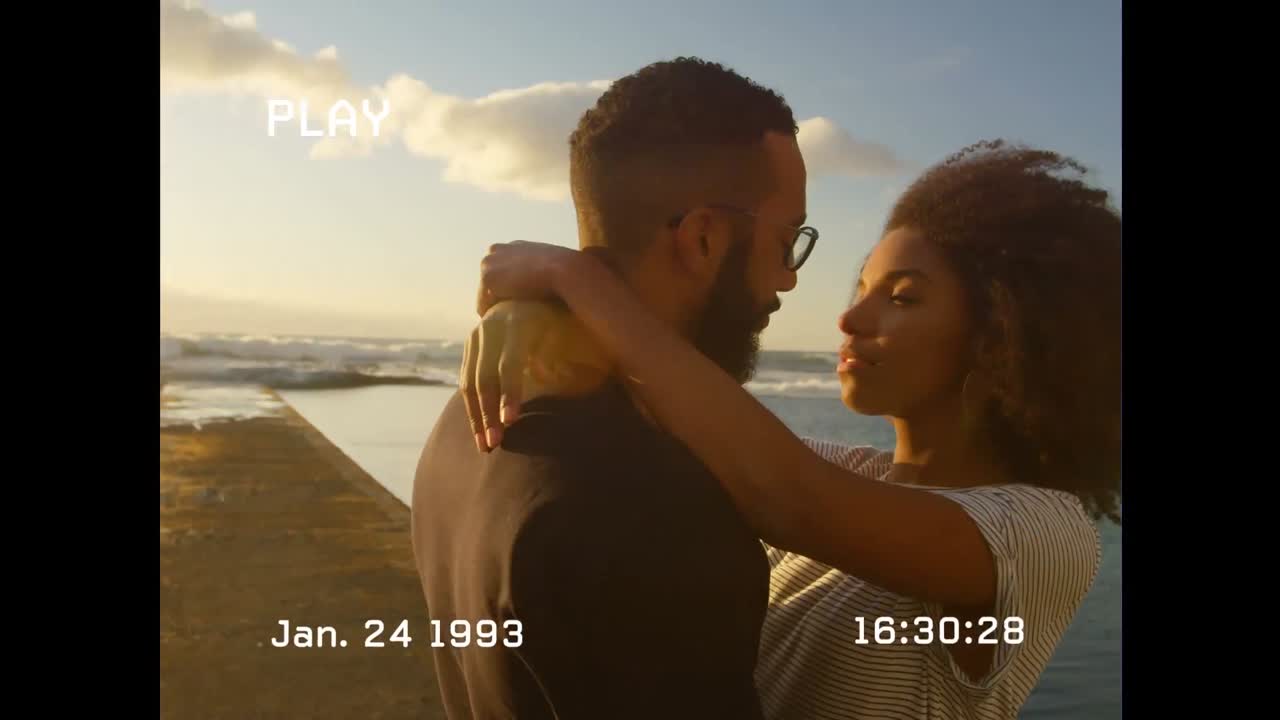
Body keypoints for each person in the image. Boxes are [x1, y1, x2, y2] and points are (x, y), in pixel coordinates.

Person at [458, 139, 1121, 719]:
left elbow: (790, 497)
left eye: (902, 297)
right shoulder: (850, 472)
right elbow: (677, 412)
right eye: (860, 287)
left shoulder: (1042, 533)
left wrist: (574, 280)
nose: (849, 319)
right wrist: (539, 319)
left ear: (1004, 334)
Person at [410, 57, 809, 719]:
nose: (789, 279)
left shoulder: (466, 418)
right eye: (787, 240)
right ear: (704, 238)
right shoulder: (661, 511)